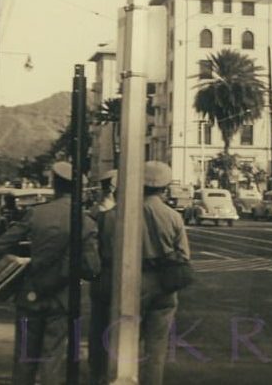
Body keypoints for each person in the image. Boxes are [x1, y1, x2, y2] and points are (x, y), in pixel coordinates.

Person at [0, 161, 100, 385]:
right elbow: (92, 268)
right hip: (64, 297)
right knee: (53, 357)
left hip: (31, 292)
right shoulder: (86, 223)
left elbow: (1, 244)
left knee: (24, 357)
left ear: (55, 184)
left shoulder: (36, 214)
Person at [95, 161, 190, 385]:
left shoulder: (113, 216)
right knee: (156, 350)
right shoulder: (173, 217)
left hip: (125, 283)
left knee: (123, 344)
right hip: (163, 285)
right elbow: (183, 255)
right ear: (164, 187)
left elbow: (104, 252)